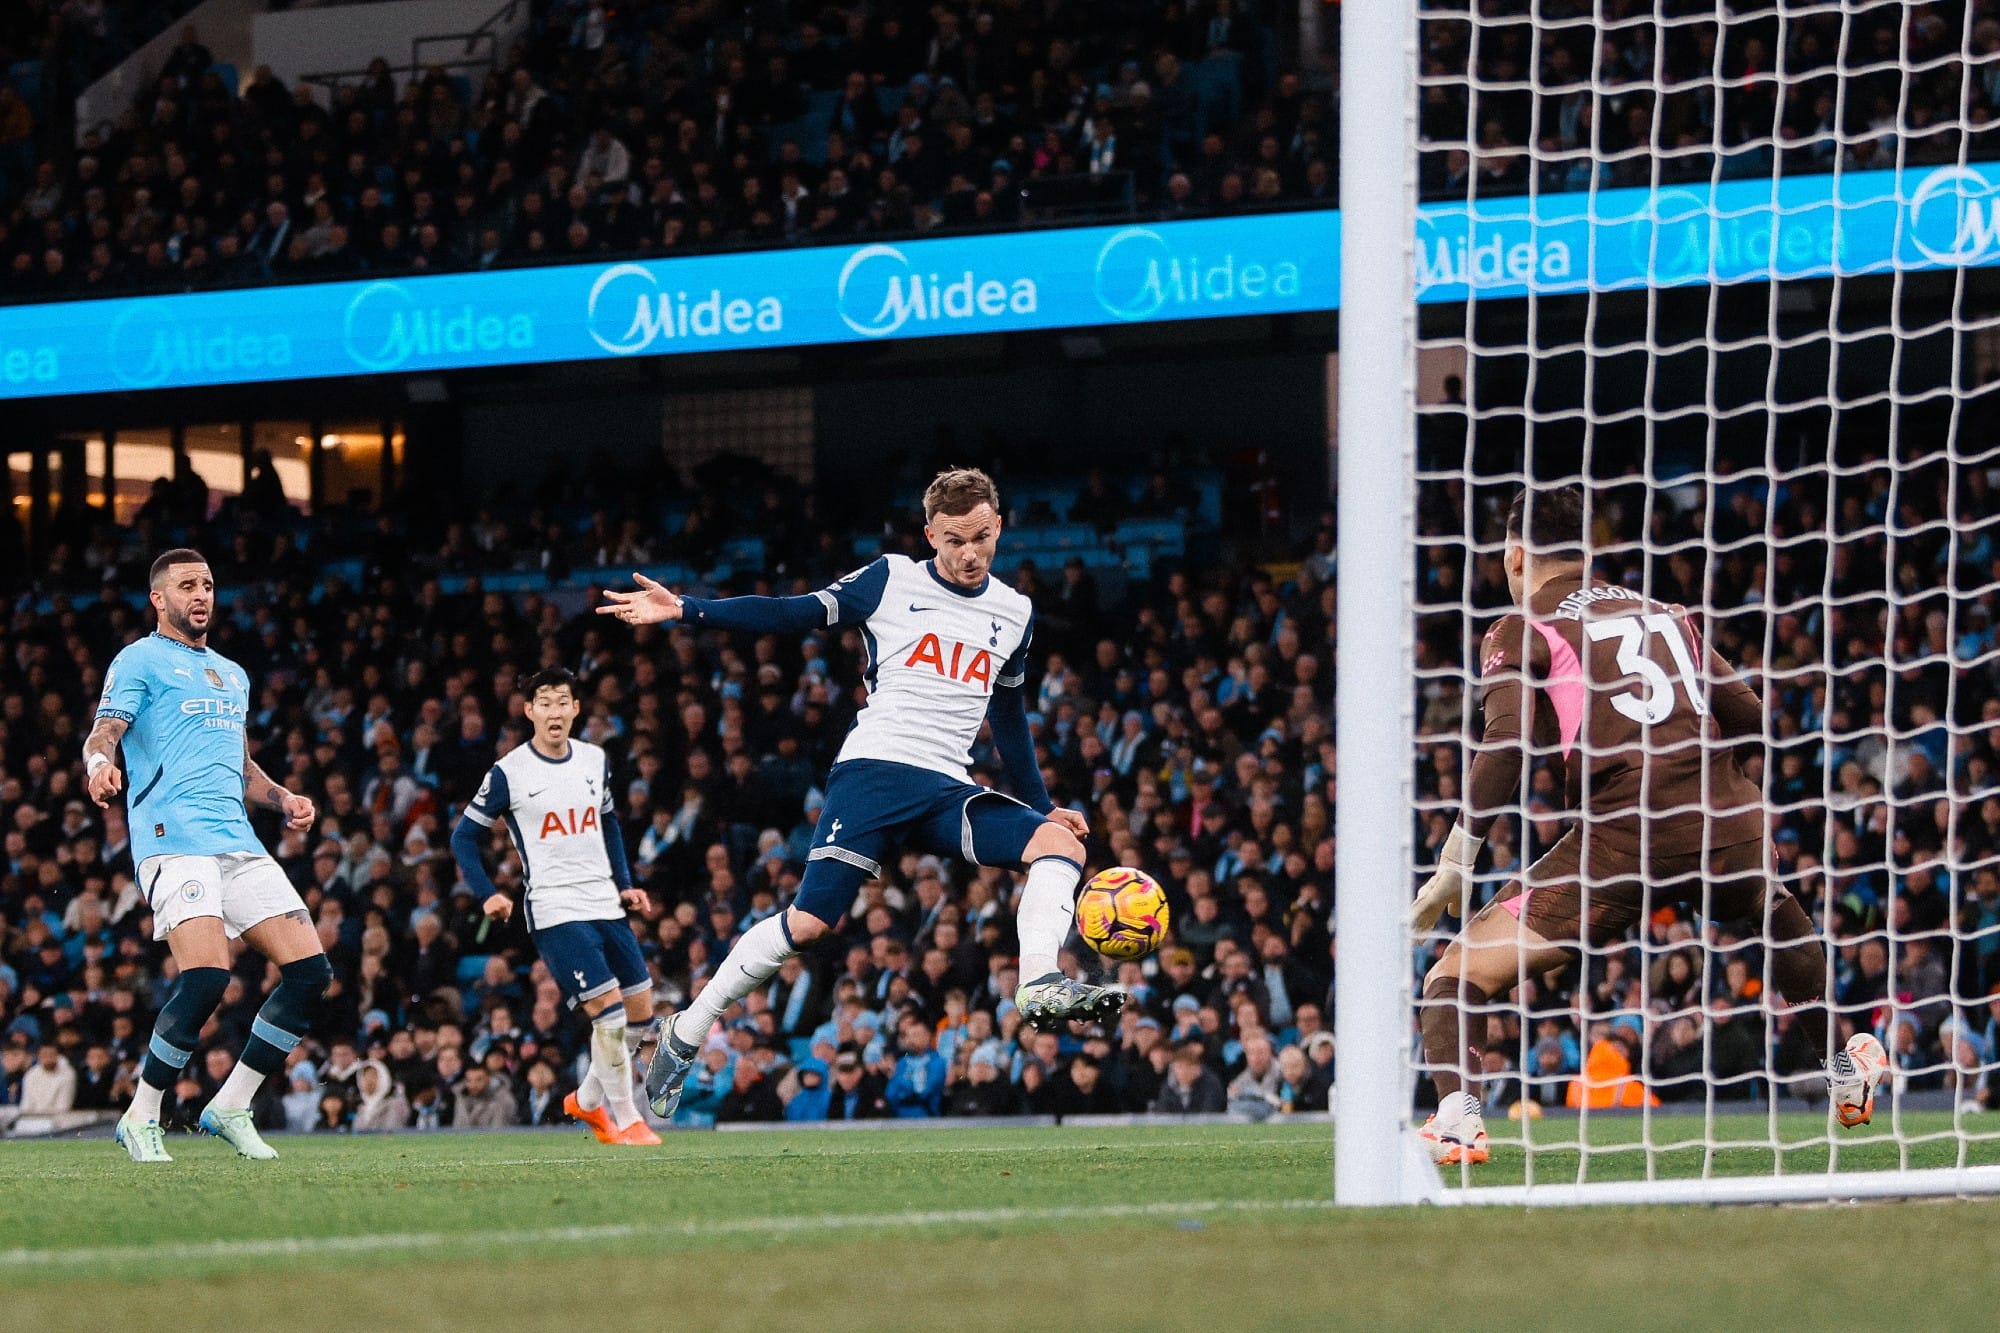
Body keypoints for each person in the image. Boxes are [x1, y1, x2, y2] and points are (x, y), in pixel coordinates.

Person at [600, 468, 1118, 1120]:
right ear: (929, 534)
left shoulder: (1015, 612)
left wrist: (1042, 805)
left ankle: (1040, 979)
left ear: (999, 527)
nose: (969, 553)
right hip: (874, 773)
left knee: (1059, 843)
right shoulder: (891, 579)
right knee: (809, 923)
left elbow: (1009, 717)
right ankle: (687, 1029)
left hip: (948, 787)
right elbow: (793, 612)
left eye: (981, 537)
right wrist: (687, 607)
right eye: (954, 539)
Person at [1409, 487, 1887, 1165]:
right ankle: (1843, 1066)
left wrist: (1457, 860)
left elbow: (1506, 743)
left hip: (1620, 840)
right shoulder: (1666, 615)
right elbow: (1751, 717)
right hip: (1720, 819)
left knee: (1455, 975)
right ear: (1587, 552)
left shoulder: (1522, 626)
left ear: (1514, 557)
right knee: (1772, 906)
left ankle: (1459, 1121)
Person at [86, 549, 331, 1163]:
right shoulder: (139, 659)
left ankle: (231, 1105)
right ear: (158, 599)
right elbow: (105, 730)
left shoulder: (232, 674)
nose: (201, 595)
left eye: (208, 585)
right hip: (173, 840)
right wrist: (98, 765)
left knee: (310, 974)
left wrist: (283, 798)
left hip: (237, 841)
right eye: (187, 586)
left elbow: (241, 765)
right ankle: (142, 1114)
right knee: (208, 977)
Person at [451, 666, 660, 1146]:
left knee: (641, 1012)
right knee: (608, 1013)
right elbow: (464, 837)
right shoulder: (508, 772)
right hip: (554, 907)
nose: (554, 711)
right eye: (544, 702)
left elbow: (609, 823)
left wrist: (625, 884)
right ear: (530, 711)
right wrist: (487, 893)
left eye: (563, 701)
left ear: (576, 709)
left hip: (604, 901)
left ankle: (585, 1100)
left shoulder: (594, 759)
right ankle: (627, 1119)